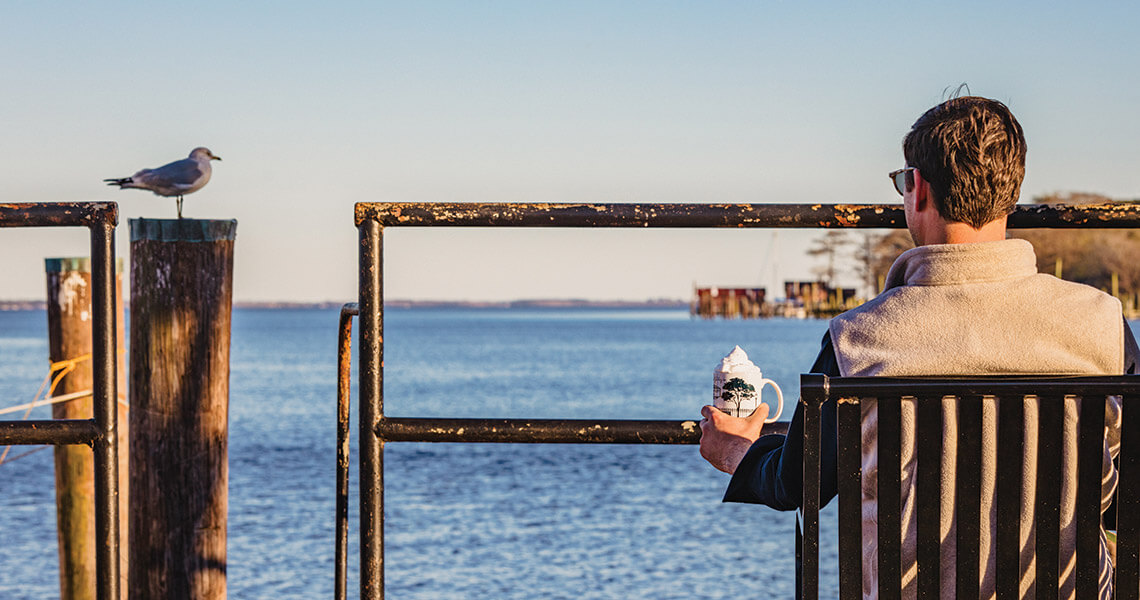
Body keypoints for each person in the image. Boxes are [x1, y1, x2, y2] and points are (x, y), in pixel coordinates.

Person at [698, 96, 1139, 599]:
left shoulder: (858, 339)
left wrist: (735, 448)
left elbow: (796, 483)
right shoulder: (1101, 322)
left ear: (919, 188)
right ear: (1011, 192)